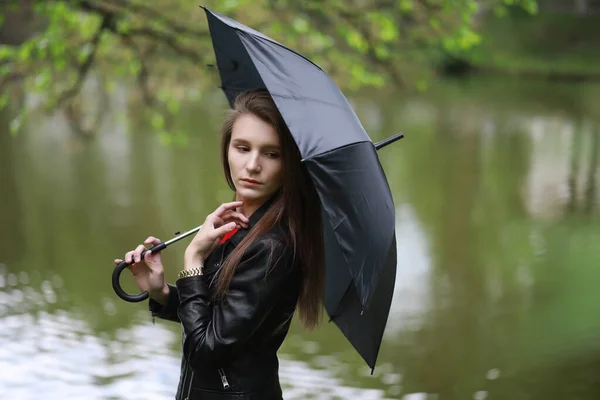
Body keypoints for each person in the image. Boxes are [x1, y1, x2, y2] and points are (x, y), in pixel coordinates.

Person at [114, 89, 325, 400]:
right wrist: (162, 292)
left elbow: (205, 350)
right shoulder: (240, 227)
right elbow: (217, 321)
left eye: (271, 153)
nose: (252, 165)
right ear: (227, 149)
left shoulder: (272, 249)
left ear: (290, 163)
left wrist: (193, 259)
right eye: (242, 148)